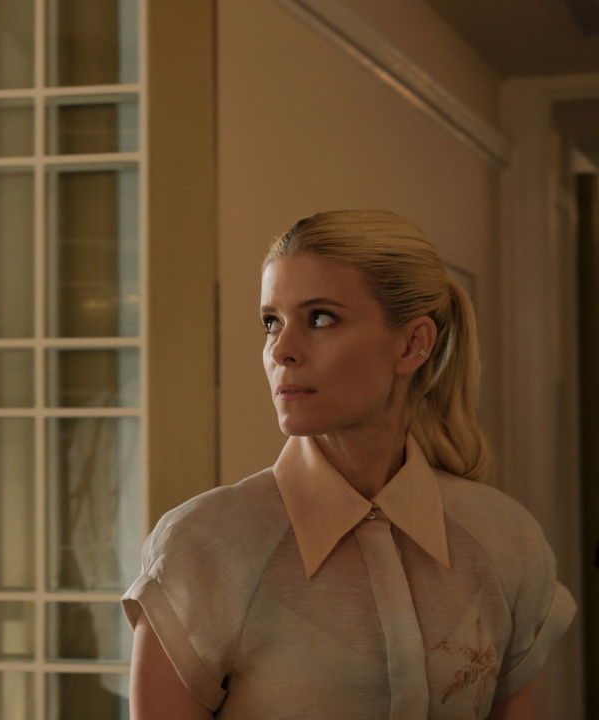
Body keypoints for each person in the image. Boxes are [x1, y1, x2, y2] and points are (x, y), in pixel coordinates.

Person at [124, 210, 575, 719]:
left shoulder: (506, 541)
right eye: (271, 323)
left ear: (413, 344)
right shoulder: (204, 546)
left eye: (320, 318)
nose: (281, 350)